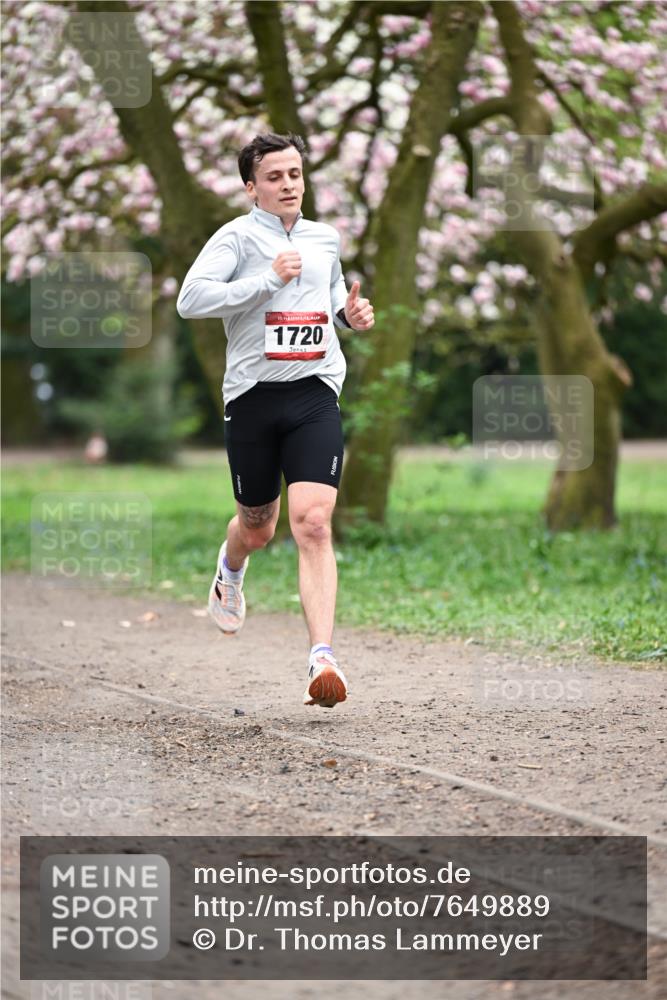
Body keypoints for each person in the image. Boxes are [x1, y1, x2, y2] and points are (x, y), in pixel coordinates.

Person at [177, 132, 374, 708]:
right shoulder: (235, 238)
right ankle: (231, 565)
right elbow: (191, 299)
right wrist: (267, 279)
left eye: (295, 174)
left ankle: (322, 657)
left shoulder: (324, 238)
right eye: (274, 177)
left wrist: (348, 314)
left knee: (312, 522)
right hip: (253, 397)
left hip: (314, 390)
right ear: (251, 187)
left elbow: (329, 297)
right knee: (259, 526)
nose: (288, 185)